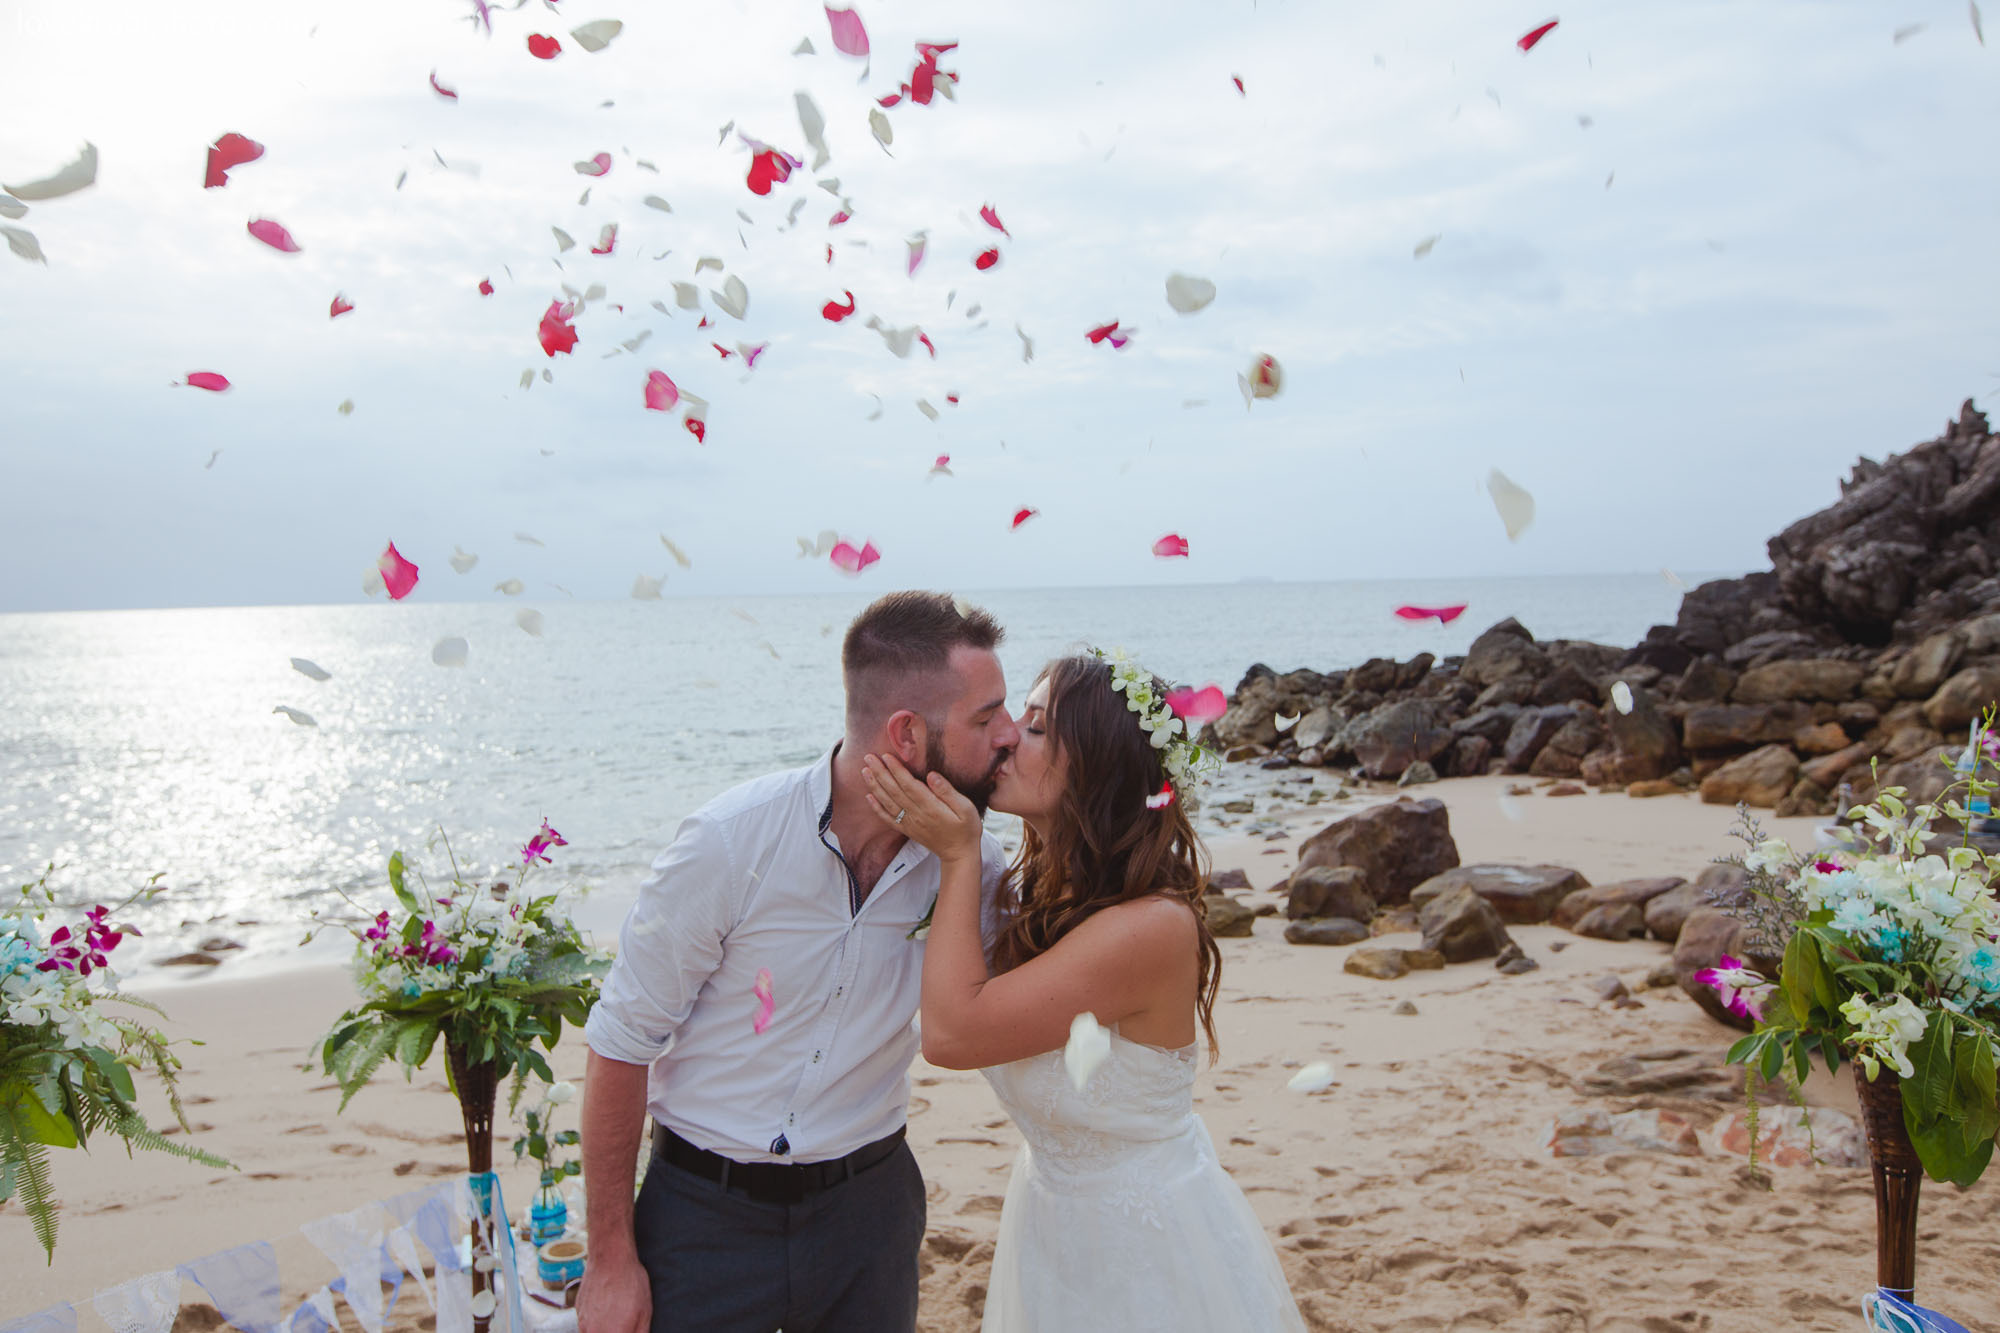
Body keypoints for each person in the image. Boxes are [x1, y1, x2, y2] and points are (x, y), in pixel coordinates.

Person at [576, 591, 1017, 1333]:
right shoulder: (727, 845)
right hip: (702, 1219)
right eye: (986, 716)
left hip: (870, 1216)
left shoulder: (975, 866)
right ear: (907, 735)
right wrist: (611, 1259)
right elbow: (621, 1043)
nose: (1010, 734)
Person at [861, 649, 1307, 1332]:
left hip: (1146, 1249)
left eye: (1037, 727)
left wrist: (956, 853)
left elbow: (950, 1035)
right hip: (1050, 1222)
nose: (1007, 735)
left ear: (1098, 765)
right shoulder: (1033, 897)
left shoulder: (1150, 928)